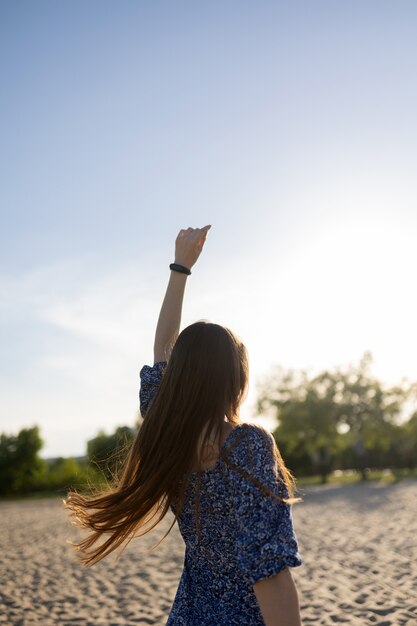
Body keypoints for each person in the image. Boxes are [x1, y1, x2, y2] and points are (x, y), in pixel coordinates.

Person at [65, 225, 304, 626]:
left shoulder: (168, 433)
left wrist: (180, 268)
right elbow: (271, 575)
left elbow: (162, 352)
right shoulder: (246, 445)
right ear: (235, 380)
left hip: (189, 615)